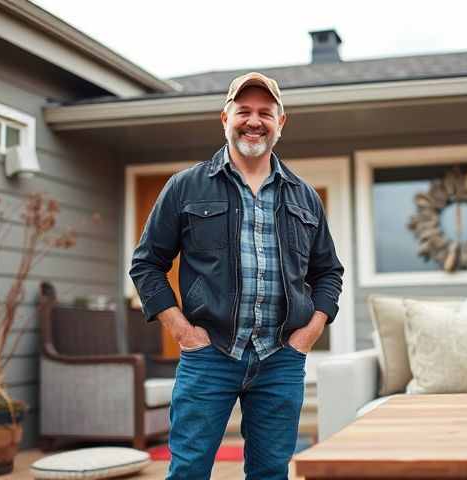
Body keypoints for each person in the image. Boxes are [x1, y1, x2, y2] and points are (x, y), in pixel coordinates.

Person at [129, 72, 344, 479]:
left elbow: (328, 273)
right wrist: (182, 332)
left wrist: (308, 336)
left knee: (270, 473)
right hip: (208, 355)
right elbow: (146, 265)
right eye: (243, 111)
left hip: (281, 357)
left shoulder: (304, 197)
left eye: (266, 112)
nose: (254, 120)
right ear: (224, 117)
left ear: (281, 122)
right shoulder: (185, 187)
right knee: (189, 471)